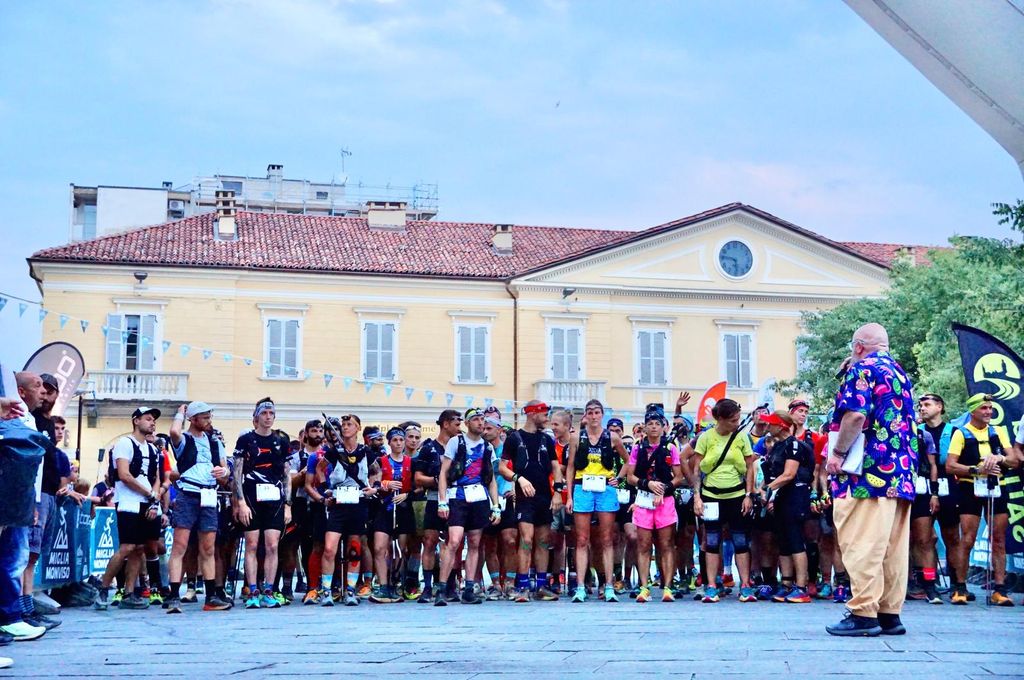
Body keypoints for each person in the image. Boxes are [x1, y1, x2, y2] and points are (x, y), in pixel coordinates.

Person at [824, 323, 917, 637]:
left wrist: (837, 453)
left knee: (862, 543)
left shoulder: (862, 369)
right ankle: (889, 613)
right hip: (900, 474)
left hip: (866, 474)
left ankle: (863, 612)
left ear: (858, 346)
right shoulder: (900, 374)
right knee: (891, 548)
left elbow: (855, 415)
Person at [944, 394, 1017, 606]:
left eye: (990, 408)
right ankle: (960, 587)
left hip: (997, 486)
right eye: (984, 408)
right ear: (973, 411)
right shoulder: (961, 433)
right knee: (967, 538)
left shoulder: (998, 431)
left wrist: (1000, 458)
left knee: (999, 538)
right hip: (970, 488)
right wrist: (976, 469)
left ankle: (1000, 589)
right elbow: (950, 465)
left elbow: (1014, 460)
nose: (988, 412)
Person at [687, 398, 757, 603]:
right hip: (711, 496)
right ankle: (711, 585)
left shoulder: (741, 437)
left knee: (740, 541)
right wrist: (697, 497)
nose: (737, 423)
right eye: (733, 420)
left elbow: (750, 467)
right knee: (711, 540)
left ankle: (745, 585)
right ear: (720, 419)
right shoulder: (706, 437)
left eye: (738, 419)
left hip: (736, 495)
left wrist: (748, 495)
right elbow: (696, 469)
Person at [94, 407, 164, 611]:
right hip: (128, 502)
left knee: (140, 548)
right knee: (127, 547)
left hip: (147, 502)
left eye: (154, 420)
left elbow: (157, 478)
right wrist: (149, 494)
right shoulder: (124, 443)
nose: (152, 423)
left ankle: (130, 593)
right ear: (136, 421)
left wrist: (154, 499)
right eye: (148, 419)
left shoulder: (153, 450)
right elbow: (124, 475)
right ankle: (103, 589)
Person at [166, 402, 232, 613]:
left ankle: (211, 596)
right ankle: (174, 595)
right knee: (180, 545)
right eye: (204, 417)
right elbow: (174, 432)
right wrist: (180, 413)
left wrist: (224, 473)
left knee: (208, 548)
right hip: (188, 493)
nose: (208, 421)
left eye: (209, 416)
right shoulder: (184, 440)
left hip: (209, 495)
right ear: (193, 419)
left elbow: (225, 471)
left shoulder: (214, 442)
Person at [435, 408, 501, 605]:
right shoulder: (457, 442)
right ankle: (442, 588)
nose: (480, 423)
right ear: (467, 423)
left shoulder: (487, 447)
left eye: (482, 420)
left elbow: (491, 479)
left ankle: (469, 588)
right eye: (476, 419)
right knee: (454, 541)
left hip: (479, 496)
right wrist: (442, 501)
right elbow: (444, 473)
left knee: (474, 542)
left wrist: (496, 506)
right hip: (458, 496)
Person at [499, 401, 564, 602]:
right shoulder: (514, 438)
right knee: (526, 540)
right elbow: (502, 467)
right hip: (524, 497)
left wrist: (558, 492)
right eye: (544, 414)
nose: (547, 419)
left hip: (544, 495)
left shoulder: (547, 439)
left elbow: (556, 467)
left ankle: (541, 586)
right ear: (532, 413)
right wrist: (518, 478)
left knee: (543, 541)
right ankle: (523, 586)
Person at [565, 399, 628, 603]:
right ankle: (581, 587)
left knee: (607, 538)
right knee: (582, 539)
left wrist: (619, 478)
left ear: (602, 415)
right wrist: (569, 495)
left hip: (605, 488)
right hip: (582, 487)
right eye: (590, 412)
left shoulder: (613, 437)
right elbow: (570, 467)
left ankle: (609, 585)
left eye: (597, 412)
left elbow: (628, 460)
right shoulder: (576, 437)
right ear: (586, 415)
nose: (593, 416)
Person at [232, 398, 292, 609]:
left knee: (272, 545)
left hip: (274, 499)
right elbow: (237, 473)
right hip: (251, 497)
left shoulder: (281, 441)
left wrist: (288, 505)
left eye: (271, 413)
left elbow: (287, 475)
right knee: (251, 544)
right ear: (256, 417)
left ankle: (268, 590)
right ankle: (252, 590)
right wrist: (241, 502)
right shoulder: (246, 440)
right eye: (264, 413)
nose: (268, 417)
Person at [0, 388, 48, 646]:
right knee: (13, 559)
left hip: (17, 497)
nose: (43, 391)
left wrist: (30, 503)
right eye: (37, 385)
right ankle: (9, 617)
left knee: (14, 559)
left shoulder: (24, 417)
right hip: (9, 494)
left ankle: (11, 616)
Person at [625, 407, 684, 603]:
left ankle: (667, 586)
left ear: (663, 427)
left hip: (665, 500)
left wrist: (663, 489)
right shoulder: (638, 448)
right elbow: (630, 476)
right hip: (644, 499)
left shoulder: (670, 448)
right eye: (650, 424)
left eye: (657, 424)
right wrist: (647, 484)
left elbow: (678, 477)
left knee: (666, 544)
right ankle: (644, 587)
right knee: (643, 544)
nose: (653, 427)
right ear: (645, 427)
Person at [317, 414, 374, 607]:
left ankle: (350, 590)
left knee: (354, 549)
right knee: (329, 548)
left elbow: (376, 471)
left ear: (358, 428)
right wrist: (325, 489)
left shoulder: (365, 451)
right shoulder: (334, 451)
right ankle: (326, 591)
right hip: (338, 503)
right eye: (343, 424)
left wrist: (373, 487)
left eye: (350, 424)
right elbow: (320, 469)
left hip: (358, 502)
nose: (345, 427)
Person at [760, 410, 814, 603]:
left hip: (795, 496)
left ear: (781, 425)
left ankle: (801, 587)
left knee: (795, 540)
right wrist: (764, 491)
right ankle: (787, 584)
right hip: (782, 497)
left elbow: (789, 474)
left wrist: (768, 489)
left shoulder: (794, 445)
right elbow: (772, 474)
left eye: (771, 423)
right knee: (783, 541)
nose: (767, 426)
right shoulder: (777, 446)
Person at [413, 410, 461, 603]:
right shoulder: (428, 448)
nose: (460, 428)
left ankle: (450, 586)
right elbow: (418, 478)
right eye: (456, 424)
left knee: (453, 543)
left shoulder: (461, 447)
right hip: (434, 499)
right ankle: (427, 587)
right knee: (430, 541)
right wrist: (437, 480)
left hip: (455, 498)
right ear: (445, 424)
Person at [916, 394, 961, 601]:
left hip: (949, 484)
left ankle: (958, 584)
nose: (922, 408)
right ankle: (928, 583)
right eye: (920, 405)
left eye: (927, 404)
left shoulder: (954, 431)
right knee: (923, 538)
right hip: (922, 486)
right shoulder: (917, 431)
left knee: (952, 537)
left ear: (939, 407)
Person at [367, 428, 415, 603]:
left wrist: (407, 495)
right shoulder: (380, 461)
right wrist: (385, 485)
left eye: (401, 440)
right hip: (384, 508)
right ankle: (383, 585)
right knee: (380, 548)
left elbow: (418, 487)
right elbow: (372, 483)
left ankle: (395, 583)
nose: (398, 443)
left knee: (399, 550)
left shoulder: (411, 462)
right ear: (389, 442)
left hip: (403, 509)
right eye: (395, 440)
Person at [906, 421, 942, 605]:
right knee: (899, 541)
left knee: (925, 540)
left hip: (920, 491)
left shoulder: (923, 435)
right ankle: (905, 583)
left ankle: (929, 585)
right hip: (897, 491)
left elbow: (933, 464)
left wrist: (934, 493)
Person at [482, 417, 517, 600]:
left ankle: (510, 583)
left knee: (510, 541)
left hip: (507, 499)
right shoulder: (482, 449)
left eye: (489, 428)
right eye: (484, 428)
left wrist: (515, 489)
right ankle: (495, 584)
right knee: (490, 544)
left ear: (499, 429)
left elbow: (518, 470)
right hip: (487, 500)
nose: (485, 431)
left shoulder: (509, 449)